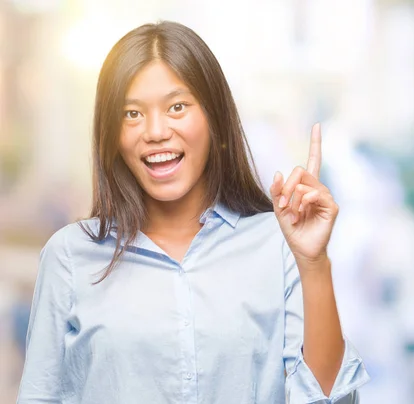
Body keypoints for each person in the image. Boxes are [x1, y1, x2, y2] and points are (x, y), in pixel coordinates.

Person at [16, 21, 369, 403]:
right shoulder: (70, 256)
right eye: (131, 114)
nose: (155, 131)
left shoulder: (279, 245)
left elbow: (327, 400)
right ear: (111, 135)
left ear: (214, 119)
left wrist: (314, 263)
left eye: (177, 107)